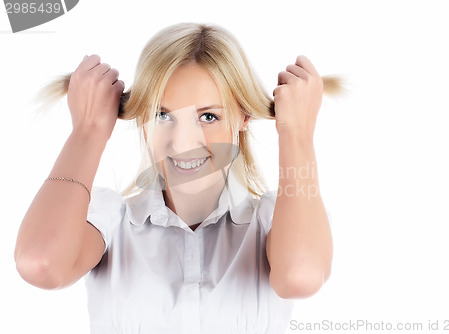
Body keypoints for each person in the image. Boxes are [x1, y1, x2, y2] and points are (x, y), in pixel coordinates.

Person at [14, 23, 339, 333]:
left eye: (208, 116)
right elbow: (41, 264)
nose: (183, 143)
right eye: (162, 114)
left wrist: (296, 134)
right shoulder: (108, 220)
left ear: (243, 117)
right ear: (142, 119)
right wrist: (88, 132)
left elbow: (301, 276)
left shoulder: (275, 221)